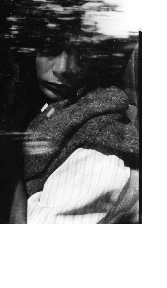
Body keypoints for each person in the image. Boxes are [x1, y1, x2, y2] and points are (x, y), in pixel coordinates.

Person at [9, 36, 140, 224]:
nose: (62, 68)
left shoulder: (97, 151)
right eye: (50, 48)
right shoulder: (52, 112)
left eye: (81, 55)